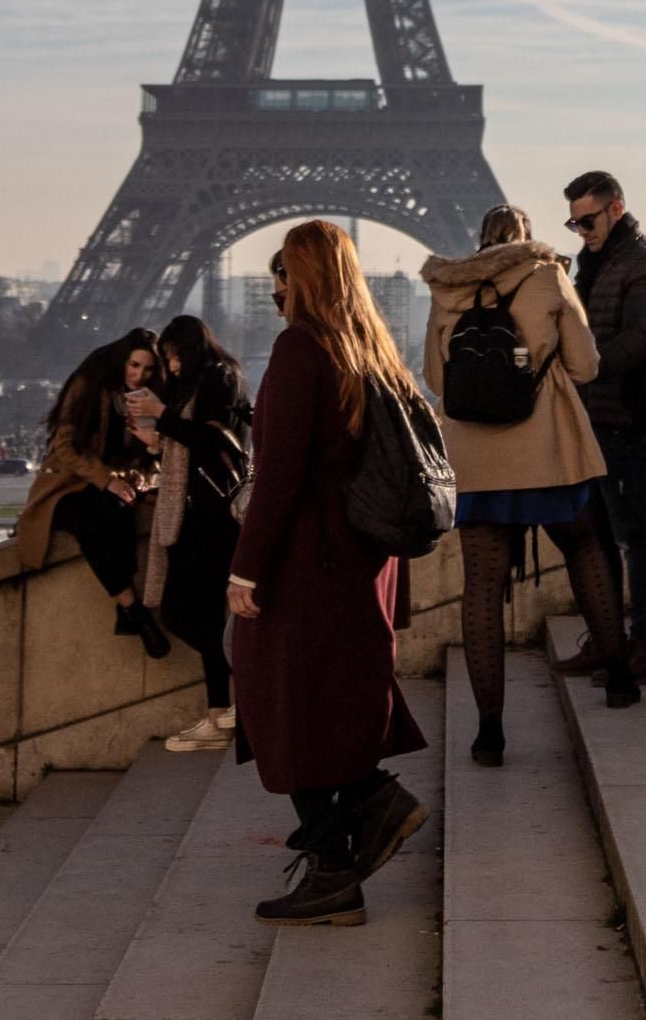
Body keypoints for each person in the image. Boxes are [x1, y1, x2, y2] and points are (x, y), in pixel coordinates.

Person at [229, 219, 430, 930]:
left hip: (307, 563)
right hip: (361, 561)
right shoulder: (372, 348)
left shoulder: (299, 348)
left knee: (281, 700)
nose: (276, 289)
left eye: (283, 274)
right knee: (330, 700)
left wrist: (246, 570)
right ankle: (365, 812)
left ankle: (336, 861)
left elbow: (279, 474)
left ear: (303, 277)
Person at [422, 205, 638, 768]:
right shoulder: (547, 276)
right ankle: (619, 675)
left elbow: (437, 379)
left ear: (480, 239)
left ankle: (489, 731)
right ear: (525, 237)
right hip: (546, 449)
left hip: (477, 460)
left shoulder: (448, 288)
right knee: (585, 547)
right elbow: (585, 365)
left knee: (482, 586)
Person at [562, 170, 646, 686]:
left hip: (629, 418)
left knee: (632, 535)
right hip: (597, 417)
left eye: (588, 220)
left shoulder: (645, 264)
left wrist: (581, 367)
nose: (582, 231)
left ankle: (645, 646)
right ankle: (610, 641)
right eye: (574, 223)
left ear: (616, 209)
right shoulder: (598, 263)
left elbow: (640, 341)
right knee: (602, 536)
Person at [135, 316, 253, 754]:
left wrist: (162, 418)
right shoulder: (204, 381)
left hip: (213, 518)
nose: (171, 365)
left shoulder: (220, 377)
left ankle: (242, 694)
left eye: (173, 356)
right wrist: (154, 439)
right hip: (192, 516)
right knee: (201, 616)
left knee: (184, 613)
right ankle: (219, 712)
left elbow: (210, 441)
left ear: (189, 349)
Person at [10, 333, 165, 652]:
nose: (139, 375)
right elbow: (65, 446)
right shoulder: (88, 385)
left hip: (109, 486)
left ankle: (128, 609)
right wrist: (107, 480)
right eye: (134, 365)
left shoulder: (145, 398)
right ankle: (133, 608)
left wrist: (144, 465)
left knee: (118, 509)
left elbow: (149, 459)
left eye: (148, 369)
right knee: (94, 520)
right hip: (67, 485)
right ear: (121, 360)